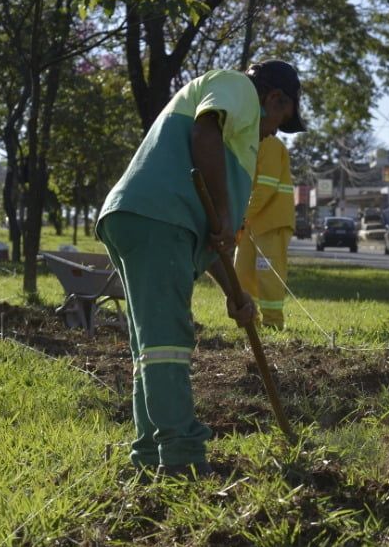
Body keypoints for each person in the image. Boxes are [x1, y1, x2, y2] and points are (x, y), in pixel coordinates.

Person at [96, 60, 306, 479]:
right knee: (168, 342)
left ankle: (151, 455)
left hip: (145, 217)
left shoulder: (237, 143)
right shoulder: (236, 89)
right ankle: (182, 456)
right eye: (280, 121)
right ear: (274, 98)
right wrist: (226, 214)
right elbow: (204, 130)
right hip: (157, 216)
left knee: (151, 348)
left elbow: (210, 244)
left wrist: (235, 293)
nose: (273, 133)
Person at [235, 134, 296, 329]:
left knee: (268, 276)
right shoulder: (248, 145)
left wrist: (241, 214)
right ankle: (250, 322)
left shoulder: (270, 145)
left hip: (272, 222)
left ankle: (273, 323)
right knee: (241, 273)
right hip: (252, 223)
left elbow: (266, 187)